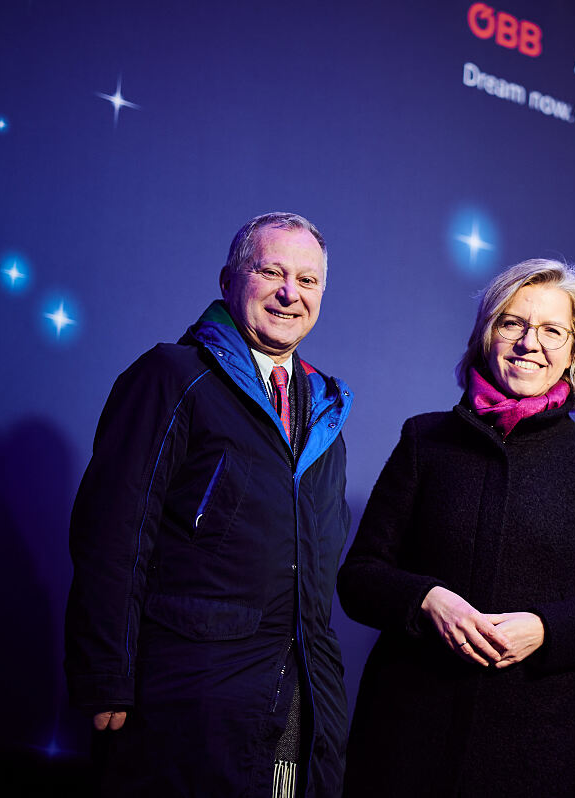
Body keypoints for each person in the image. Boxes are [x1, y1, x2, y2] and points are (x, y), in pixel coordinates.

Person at [337, 259, 575, 797]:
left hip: (536, 743)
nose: (531, 342)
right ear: (487, 334)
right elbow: (359, 578)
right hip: (406, 731)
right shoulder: (424, 440)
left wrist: (546, 629)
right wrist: (426, 600)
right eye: (513, 323)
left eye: (553, 330)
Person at [65, 212, 353, 798]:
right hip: (189, 696)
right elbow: (115, 532)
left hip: (299, 698)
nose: (289, 293)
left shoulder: (326, 415)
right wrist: (106, 676)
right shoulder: (172, 376)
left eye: (308, 279)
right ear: (228, 280)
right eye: (270, 271)